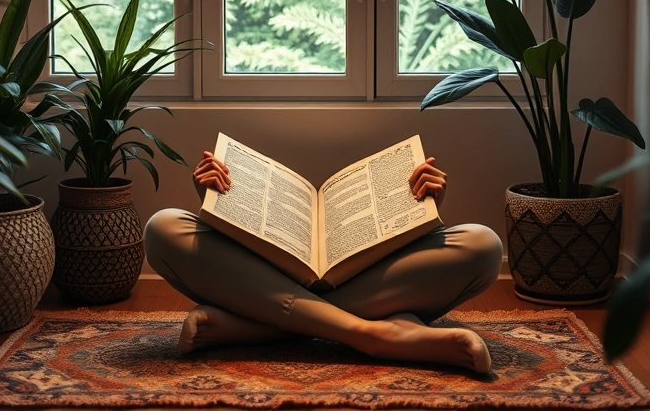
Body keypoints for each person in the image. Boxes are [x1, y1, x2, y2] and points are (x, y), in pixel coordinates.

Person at [143, 150, 504, 373]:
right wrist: (215, 204)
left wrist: (423, 207)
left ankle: (257, 327)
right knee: (163, 227)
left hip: (348, 280)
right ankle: (369, 333)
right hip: (263, 272)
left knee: (483, 244)